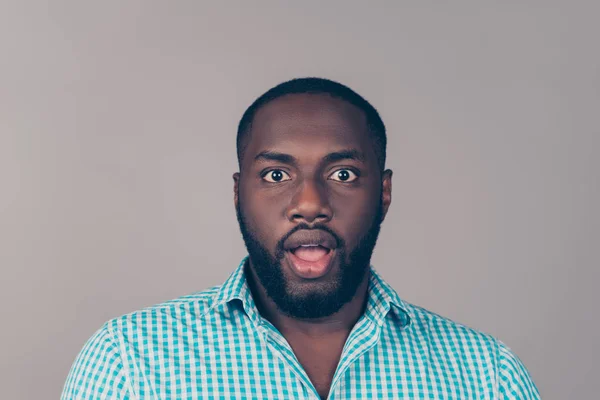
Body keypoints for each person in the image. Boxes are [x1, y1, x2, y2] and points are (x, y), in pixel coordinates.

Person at [62, 78, 540, 399]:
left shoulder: (486, 376)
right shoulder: (131, 362)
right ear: (238, 193)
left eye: (343, 172)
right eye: (275, 174)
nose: (309, 203)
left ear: (384, 191)